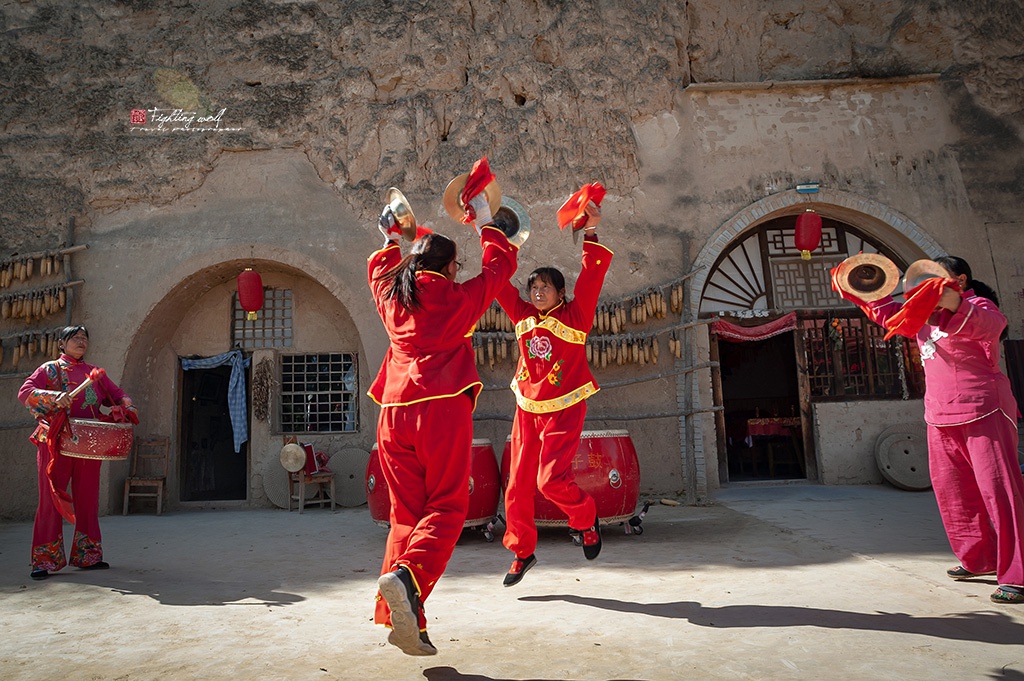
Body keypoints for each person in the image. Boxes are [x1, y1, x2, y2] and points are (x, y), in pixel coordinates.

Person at [368, 194, 518, 655]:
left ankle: (407, 618)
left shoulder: (392, 295)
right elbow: (500, 268)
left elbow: (379, 268)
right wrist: (487, 222)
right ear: (451, 269)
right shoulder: (458, 299)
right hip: (440, 408)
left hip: (393, 414)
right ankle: (407, 579)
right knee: (450, 509)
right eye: (457, 266)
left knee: (406, 518)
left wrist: (393, 234)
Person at [848, 255, 1024, 604]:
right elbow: (888, 314)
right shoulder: (920, 316)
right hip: (939, 414)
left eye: (934, 279)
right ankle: (978, 559)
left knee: (999, 493)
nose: (923, 287)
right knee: (954, 495)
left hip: (983, 409)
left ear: (959, 279)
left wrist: (953, 301)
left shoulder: (977, 304)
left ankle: (1017, 574)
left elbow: (992, 325)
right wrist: (868, 285)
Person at [496, 200, 612, 587]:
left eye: (545, 286)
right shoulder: (523, 316)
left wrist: (591, 231)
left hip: (564, 407)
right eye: (533, 286)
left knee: (550, 481)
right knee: (516, 486)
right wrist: (496, 234)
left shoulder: (575, 317)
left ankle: (585, 519)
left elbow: (592, 277)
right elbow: (497, 284)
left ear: (561, 292)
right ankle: (522, 551)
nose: (538, 291)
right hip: (528, 406)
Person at [18, 325, 136, 581]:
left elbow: (117, 395)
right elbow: (25, 393)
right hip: (54, 441)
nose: (82, 342)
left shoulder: (94, 374)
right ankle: (44, 560)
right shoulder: (49, 370)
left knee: (88, 498)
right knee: (50, 499)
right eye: (75, 338)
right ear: (62, 343)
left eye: (85, 338)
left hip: (87, 444)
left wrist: (126, 404)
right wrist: (53, 397)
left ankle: (88, 556)